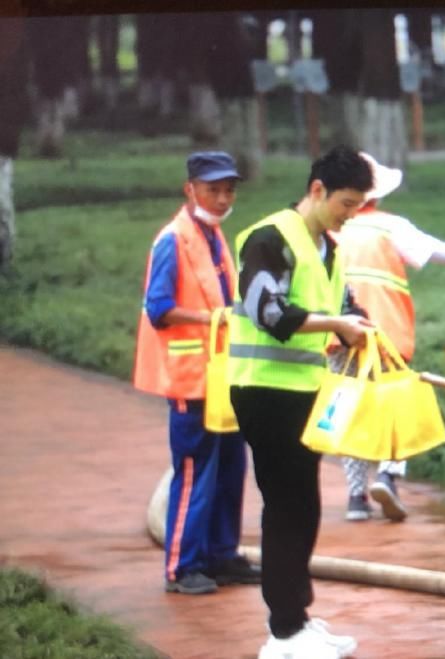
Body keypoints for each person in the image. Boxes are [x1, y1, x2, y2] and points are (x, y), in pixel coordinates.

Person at [228, 146, 374, 659]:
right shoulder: (269, 238)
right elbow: (269, 311)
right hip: (264, 393)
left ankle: (297, 619)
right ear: (317, 191)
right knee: (286, 507)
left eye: (358, 205)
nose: (351, 214)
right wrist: (337, 325)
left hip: (303, 393)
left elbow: (339, 305)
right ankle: (282, 634)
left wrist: (357, 324)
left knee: (304, 505)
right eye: (346, 204)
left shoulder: (326, 247)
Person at [331, 152, 445, 523]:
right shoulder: (390, 227)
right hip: (384, 332)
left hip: (338, 334)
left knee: (349, 408)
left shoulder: (333, 227)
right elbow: (437, 252)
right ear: (377, 195)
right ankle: (389, 475)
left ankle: (356, 497)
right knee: (396, 406)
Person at [133, 151, 261, 596]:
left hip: (223, 374)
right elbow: (159, 308)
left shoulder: (212, 234)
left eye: (229, 190)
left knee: (230, 465)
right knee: (195, 470)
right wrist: (212, 320)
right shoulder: (174, 239)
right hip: (192, 377)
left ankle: (222, 555)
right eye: (214, 189)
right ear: (190, 189)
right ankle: (182, 566)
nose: (224, 198)